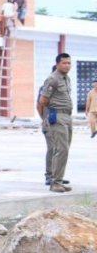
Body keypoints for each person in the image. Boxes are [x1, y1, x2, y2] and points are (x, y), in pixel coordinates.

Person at [39, 53, 74, 193]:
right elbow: (43, 101)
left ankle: (58, 179)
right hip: (57, 116)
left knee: (64, 150)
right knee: (61, 149)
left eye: (69, 63)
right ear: (58, 64)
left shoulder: (66, 78)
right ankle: (55, 182)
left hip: (67, 116)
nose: (67, 65)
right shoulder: (52, 79)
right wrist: (47, 119)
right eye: (64, 63)